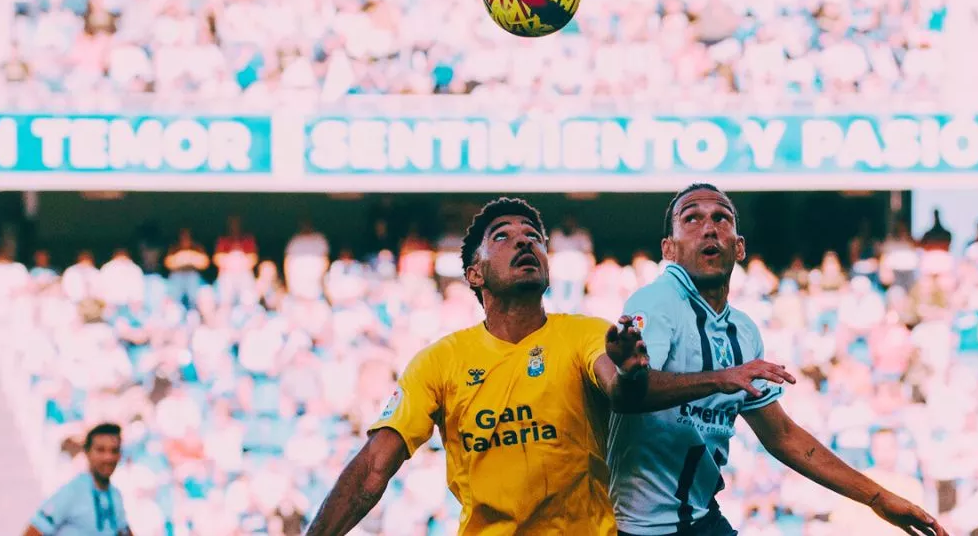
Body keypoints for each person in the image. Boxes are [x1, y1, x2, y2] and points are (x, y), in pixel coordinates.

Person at [305, 198, 793, 536]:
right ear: (474, 273)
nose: (525, 243)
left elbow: (623, 392)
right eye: (503, 237)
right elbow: (373, 468)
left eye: (534, 237)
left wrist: (631, 371)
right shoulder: (439, 361)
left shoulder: (583, 335)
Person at [607, 184, 946, 536]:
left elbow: (782, 435)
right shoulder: (656, 301)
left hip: (702, 517)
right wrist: (720, 378)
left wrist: (877, 498)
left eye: (721, 218)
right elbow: (627, 396)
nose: (709, 228)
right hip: (643, 530)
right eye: (691, 218)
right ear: (669, 249)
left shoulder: (743, 331)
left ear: (739, 247)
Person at [25, 423, 132, 536]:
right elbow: (33, 531)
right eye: (100, 450)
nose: (108, 457)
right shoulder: (72, 492)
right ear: (87, 452)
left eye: (114, 450)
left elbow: (123, 531)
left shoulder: (115, 495)